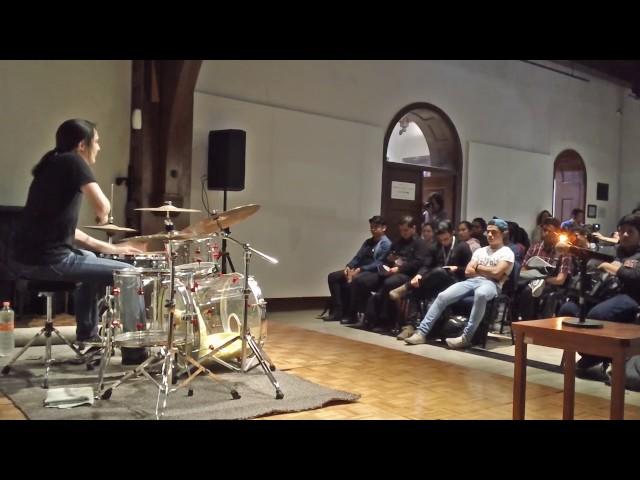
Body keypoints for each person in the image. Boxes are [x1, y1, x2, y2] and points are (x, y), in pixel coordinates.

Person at [10, 119, 143, 346]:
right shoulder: (73, 160)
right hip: (49, 260)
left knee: (90, 259)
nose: (99, 148)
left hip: (24, 259)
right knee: (129, 273)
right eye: (97, 142)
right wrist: (103, 215)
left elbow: (66, 230)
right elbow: (102, 206)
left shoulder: (52, 164)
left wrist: (109, 248)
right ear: (82, 144)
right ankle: (135, 350)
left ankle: (88, 339)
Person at [405, 218, 514, 349]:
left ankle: (466, 337)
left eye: (494, 232)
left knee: (480, 294)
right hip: (472, 281)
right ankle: (422, 332)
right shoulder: (481, 251)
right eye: (488, 232)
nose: (490, 235)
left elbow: (496, 273)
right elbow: (468, 271)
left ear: (503, 234)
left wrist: (478, 267)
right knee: (443, 296)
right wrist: (487, 271)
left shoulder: (507, 252)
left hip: (492, 284)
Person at [557, 213, 640, 370]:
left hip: (630, 296)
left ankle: (594, 356)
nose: (625, 235)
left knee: (597, 315)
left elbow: (635, 275)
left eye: (631, 231)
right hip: (602, 293)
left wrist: (611, 267)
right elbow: (591, 261)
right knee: (568, 310)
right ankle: (589, 353)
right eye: (622, 231)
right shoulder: (612, 250)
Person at [391, 221, 472, 340]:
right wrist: (418, 275)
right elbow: (426, 265)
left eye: (446, 239)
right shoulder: (435, 246)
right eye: (441, 240)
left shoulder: (462, 246)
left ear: (452, 233)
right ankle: (410, 326)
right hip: (436, 281)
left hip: (456, 282)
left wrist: (457, 268)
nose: (444, 242)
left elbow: (469, 270)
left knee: (439, 271)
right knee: (417, 287)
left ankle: (406, 287)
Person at [362, 216, 428, 331]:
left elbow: (418, 263)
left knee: (388, 283)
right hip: (392, 271)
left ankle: (386, 321)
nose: (403, 233)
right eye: (401, 230)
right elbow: (389, 258)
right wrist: (389, 263)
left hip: (409, 275)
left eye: (406, 230)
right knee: (366, 280)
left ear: (413, 228)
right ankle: (369, 317)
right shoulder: (398, 242)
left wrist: (399, 268)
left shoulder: (420, 243)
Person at [322, 216, 391, 322]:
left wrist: (361, 269)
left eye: (376, 227)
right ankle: (338, 311)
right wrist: (349, 266)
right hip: (359, 269)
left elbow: (379, 263)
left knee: (356, 279)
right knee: (333, 277)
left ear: (384, 228)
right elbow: (358, 257)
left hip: (372, 272)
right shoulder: (368, 242)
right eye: (371, 227)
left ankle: (352, 314)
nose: (373, 229)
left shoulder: (386, 243)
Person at [515, 217, 572, 320]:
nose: (544, 234)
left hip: (550, 284)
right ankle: (516, 322)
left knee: (529, 291)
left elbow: (560, 280)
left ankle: (528, 322)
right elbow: (523, 269)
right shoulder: (535, 247)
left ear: (557, 233)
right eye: (543, 230)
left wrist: (542, 279)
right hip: (530, 279)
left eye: (548, 231)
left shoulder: (564, 252)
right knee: (515, 287)